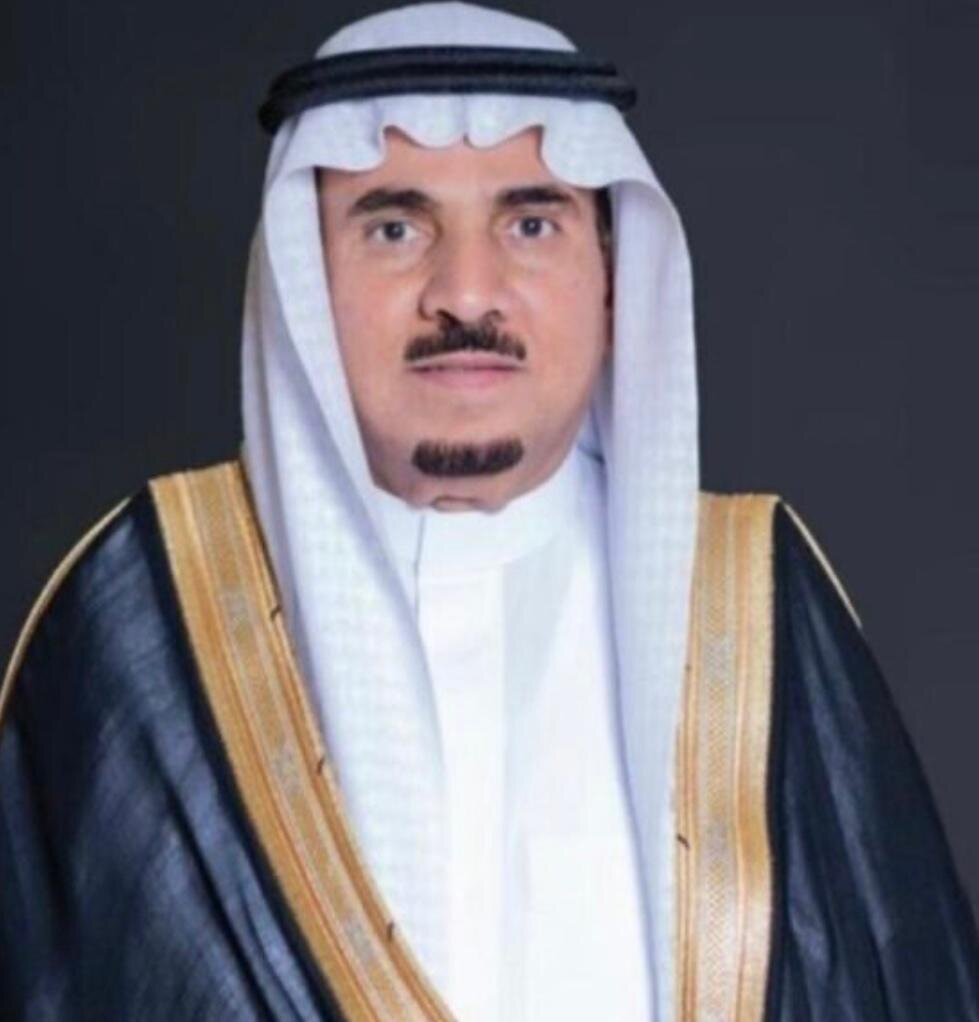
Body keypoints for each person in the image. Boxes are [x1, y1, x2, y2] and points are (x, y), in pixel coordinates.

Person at [0, 3, 976, 1020]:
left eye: (530, 224)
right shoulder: (146, 612)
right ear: (301, 281)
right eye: (394, 227)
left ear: (611, 280)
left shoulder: (753, 607)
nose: (466, 293)